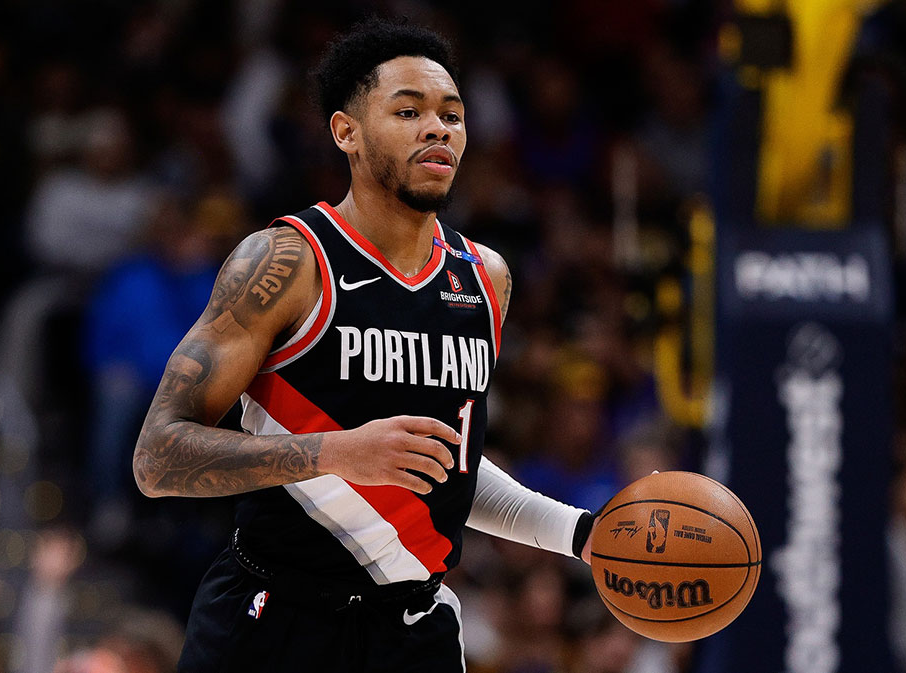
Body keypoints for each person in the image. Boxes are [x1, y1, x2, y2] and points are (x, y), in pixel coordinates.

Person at [133, 18, 604, 672]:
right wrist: (337, 451)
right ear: (345, 132)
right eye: (408, 110)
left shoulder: (484, 279)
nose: (438, 127)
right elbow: (157, 456)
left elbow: (448, 470)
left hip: (410, 631)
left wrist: (580, 533)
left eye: (452, 114)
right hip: (273, 620)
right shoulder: (287, 262)